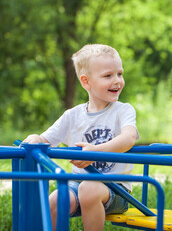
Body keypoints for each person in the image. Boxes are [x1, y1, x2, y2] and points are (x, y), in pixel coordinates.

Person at [23, 44, 139, 231]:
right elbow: (45, 140)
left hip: (116, 188)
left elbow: (129, 138)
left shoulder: (123, 110)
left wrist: (96, 152)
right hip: (78, 184)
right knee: (55, 199)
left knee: (89, 189)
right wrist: (34, 138)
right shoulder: (72, 116)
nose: (117, 80)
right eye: (108, 76)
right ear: (86, 82)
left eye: (120, 73)